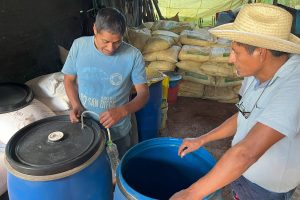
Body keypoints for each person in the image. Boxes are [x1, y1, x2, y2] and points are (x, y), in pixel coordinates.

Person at [171, 3, 300, 200]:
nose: (231, 59)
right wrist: (202, 139)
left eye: (236, 52)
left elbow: (246, 153)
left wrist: (189, 194)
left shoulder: (294, 83)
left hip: (266, 190)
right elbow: (243, 114)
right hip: (240, 173)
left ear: (260, 52)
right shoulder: (255, 72)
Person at [62, 7, 149, 158]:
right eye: (106, 41)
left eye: (117, 42)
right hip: (86, 127)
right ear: (95, 29)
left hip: (118, 132)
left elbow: (144, 94)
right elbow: (69, 80)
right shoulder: (79, 46)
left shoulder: (133, 56)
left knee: (118, 170)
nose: (111, 48)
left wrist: (122, 111)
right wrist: (76, 105)